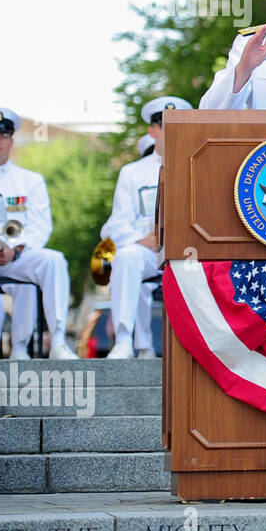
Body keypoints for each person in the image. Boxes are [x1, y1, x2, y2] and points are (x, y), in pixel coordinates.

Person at [101, 96, 190, 359]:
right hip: (149, 249)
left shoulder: (196, 164)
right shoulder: (132, 172)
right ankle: (125, 339)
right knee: (127, 257)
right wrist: (144, 239)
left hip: (186, 251)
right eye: (165, 125)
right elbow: (117, 222)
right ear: (153, 131)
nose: (170, 131)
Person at [0, 107, 77, 359]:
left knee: (52, 260)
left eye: (3, 136)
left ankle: (57, 340)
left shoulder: (30, 180)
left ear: (11, 141)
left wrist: (14, 249)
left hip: (14, 257)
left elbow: (40, 226)